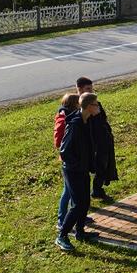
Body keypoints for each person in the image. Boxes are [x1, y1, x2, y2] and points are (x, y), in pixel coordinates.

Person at [56, 92, 101, 251]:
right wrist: (77, 165)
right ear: (88, 107)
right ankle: (62, 236)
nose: (98, 107)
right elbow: (64, 151)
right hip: (73, 170)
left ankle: (80, 232)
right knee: (77, 204)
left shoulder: (87, 121)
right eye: (96, 104)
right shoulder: (75, 125)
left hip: (83, 169)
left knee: (85, 201)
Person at [76, 77, 117, 200]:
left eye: (91, 89)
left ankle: (97, 190)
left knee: (102, 165)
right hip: (91, 143)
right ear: (79, 89)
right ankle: (83, 196)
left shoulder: (95, 102)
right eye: (88, 89)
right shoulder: (78, 106)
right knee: (90, 169)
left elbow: (103, 119)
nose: (91, 91)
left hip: (102, 140)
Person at [53, 93, 80, 231]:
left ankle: (76, 214)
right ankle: (61, 219)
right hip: (69, 159)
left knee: (74, 189)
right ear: (75, 104)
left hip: (75, 157)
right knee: (68, 190)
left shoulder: (69, 116)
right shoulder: (66, 119)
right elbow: (60, 142)